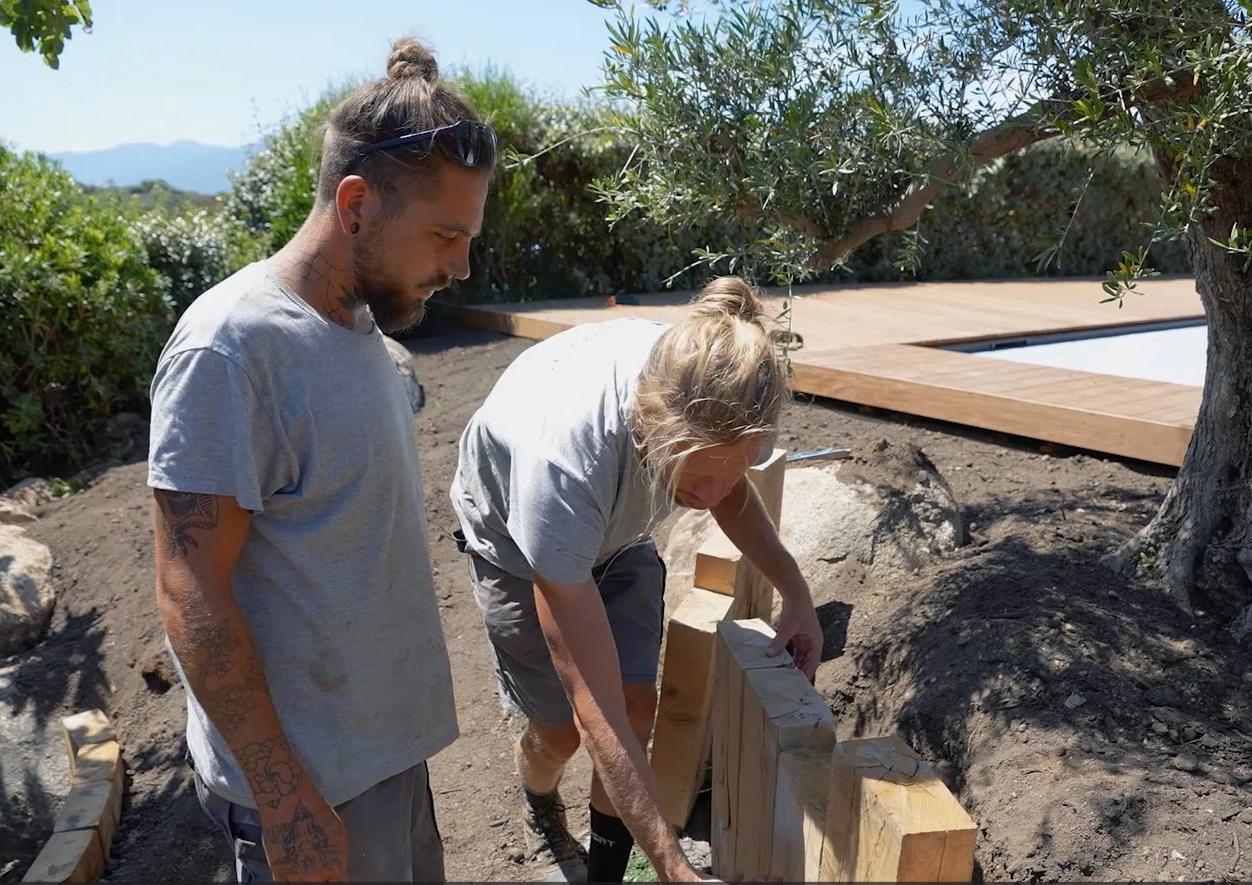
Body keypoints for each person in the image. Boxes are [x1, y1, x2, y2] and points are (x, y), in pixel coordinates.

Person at [147, 38, 495, 883]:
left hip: (381, 759)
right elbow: (188, 590)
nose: (460, 265)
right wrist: (284, 798)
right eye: (446, 235)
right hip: (312, 791)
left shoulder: (360, 324)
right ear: (354, 205)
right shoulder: (231, 349)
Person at [448, 277, 825, 883]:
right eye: (693, 478)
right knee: (565, 733)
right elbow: (596, 715)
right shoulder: (562, 466)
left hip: (614, 533)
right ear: (648, 426)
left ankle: (604, 874)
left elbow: (727, 491)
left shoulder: (704, 375)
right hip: (518, 548)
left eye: (726, 476)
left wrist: (797, 593)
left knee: (637, 705)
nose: (707, 501)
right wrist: (676, 869)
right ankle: (539, 799)